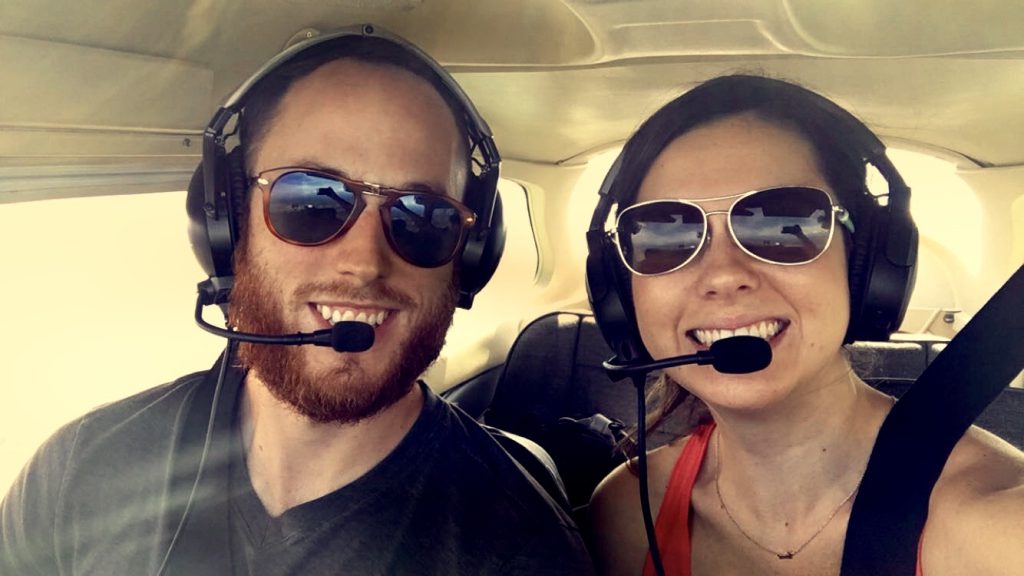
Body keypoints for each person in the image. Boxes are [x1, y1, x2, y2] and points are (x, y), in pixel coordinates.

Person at [0, 27, 594, 575]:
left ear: (469, 258)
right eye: (312, 200)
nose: (364, 263)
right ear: (227, 225)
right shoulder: (80, 469)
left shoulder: (520, 544)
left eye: (424, 219)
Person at [586, 74, 1024, 575]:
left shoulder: (1003, 532)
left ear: (868, 265)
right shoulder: (624, 515)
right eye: (664, 236)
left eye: (780, 225)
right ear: (620, 291)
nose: (725, 275)